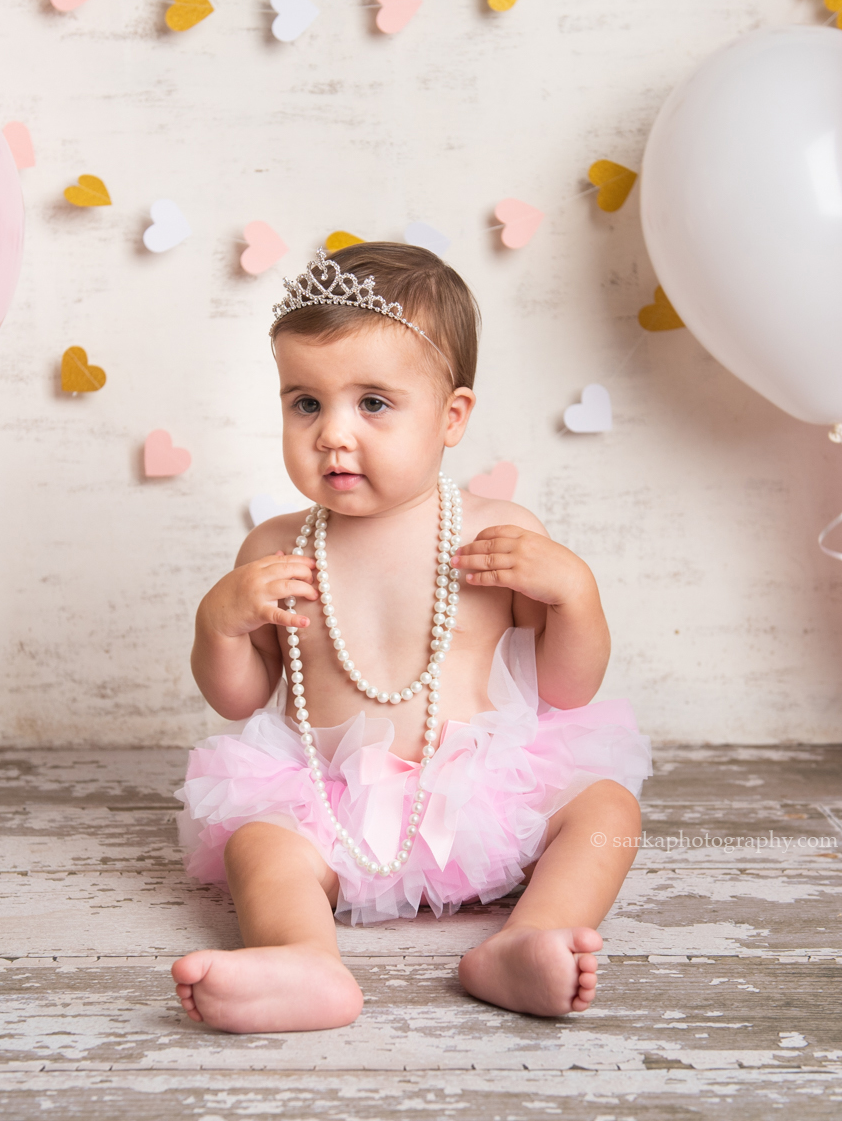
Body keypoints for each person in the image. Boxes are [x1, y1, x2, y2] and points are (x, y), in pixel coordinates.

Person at [172, 243, 651, 1033]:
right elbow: (242, 696)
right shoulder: (275, 549)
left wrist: (574, 594)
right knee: (257, 843)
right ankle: (304, 957)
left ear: (451, 417)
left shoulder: (499, 534)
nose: (332, 434)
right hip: (329, 806)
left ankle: (527, 940)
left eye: (373, 404)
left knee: (608, 809)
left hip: (488, 794)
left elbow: (568, 689)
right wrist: (219, 621)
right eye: (305, 403)